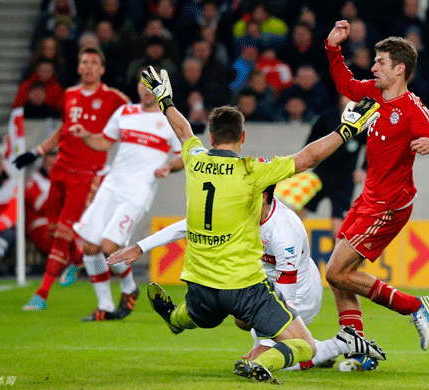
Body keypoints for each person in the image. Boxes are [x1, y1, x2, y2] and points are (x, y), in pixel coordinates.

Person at [120, 65, 383, 382]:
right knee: (304, 346)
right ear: (243, 137)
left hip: (199, 282)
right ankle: (271, 360)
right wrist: (345, 131)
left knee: (194, 315)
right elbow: (308, 158)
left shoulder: (194, 158)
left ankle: (175, 318)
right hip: (242, 287)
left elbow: (184, 132)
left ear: (212, 136)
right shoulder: (252, 171)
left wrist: (165, 101)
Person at [109, 184, 382, 371]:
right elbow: (188, 225)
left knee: (286, 354)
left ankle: (339, 344)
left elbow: (286, 294)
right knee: (243, 321)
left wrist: (263, 343)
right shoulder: (244, 211)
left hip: (299, 292)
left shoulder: (283, 231)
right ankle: (178, 317)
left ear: (263, 196)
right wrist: (141, 247)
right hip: (262, 284)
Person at [324, 20, 429, 352]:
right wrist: (332, 47)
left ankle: (415, 305)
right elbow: (344, 81)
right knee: (339, 274)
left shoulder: (414, 110)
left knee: (335, 271)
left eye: (380, 62)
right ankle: (353, 342)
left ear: (400, 69)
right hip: (369, 197)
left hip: (390, 204)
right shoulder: (373, 93)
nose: (373, 67)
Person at [14, 47, 130, 311]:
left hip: (85, 176)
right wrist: (37, 152)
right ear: (78, 68)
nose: (88, 67)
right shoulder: (70, 94)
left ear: (102, 69)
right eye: (84, 62)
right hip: (60, 170)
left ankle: (41, 294)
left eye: (94, 63)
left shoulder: (114, 99)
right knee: (56, 230)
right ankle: (78, 260)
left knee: (62, 236)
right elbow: (63, 130)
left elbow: (137, 117)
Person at [68, 75, 183, 321]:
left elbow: (183, 157)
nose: (146, 89)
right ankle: (106, 306)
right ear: (138, 87)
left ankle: (129, 286)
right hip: (111, 188)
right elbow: (103, 142)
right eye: (143, 83)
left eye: (152, 86)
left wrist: (169, 167)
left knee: (108, 247)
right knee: (89, 247)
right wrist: (85, 133)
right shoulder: (125, 112)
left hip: (137, 193)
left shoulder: (169, 119)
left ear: (161, 89)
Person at [300, 95, 367, 239]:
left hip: (344, 180)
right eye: (345, 97)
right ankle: (289, 247)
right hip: (321, 174)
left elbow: (372, 147)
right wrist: (306, 162)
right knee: (300, 209)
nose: (347, 101)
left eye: (352, 98)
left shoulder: (363, 122)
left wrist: (363, 169)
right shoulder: (327, 117)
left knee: (338, 221)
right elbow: (311, 141)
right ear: (339, 99)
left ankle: (337, 258)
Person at [25, 151, 57, 256]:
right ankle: (61, 270)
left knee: (80, 241)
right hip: (40, 223)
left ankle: (70, 271)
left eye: (55, 165)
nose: (52, 168)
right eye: (50, 164)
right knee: (56, 245)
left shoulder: (64, 179)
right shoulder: (34, 180)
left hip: (60, 222)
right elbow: (40, 205)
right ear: (43, 163)